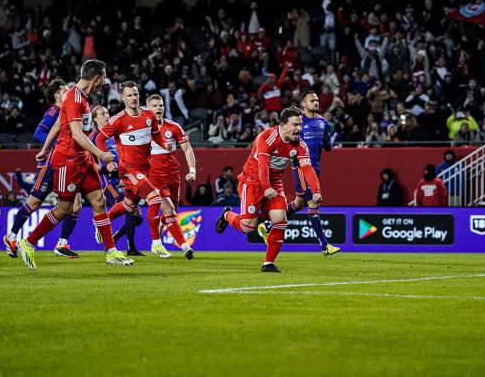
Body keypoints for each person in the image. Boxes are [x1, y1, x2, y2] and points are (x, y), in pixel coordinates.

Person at [16, 60, 133, 270]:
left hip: (83, 159)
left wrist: (44, 148)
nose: (103, 83)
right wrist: (100, 154)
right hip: (68, 161)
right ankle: (28, 243)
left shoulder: (81, 98)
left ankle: (112, 252)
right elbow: (77, 134)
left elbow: (61, 124)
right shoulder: (73, 98)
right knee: (63, 209)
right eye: (103, 78)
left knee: (99, 201)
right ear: (96, 78)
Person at [215, 107, 322, 273]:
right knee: (248, 227)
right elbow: (262, 165)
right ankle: (227, 215)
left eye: (300, 124)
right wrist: (266, 187)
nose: (299, 128)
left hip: (275, 182)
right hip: (253, 181)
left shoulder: (300, 145)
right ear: (283, 124)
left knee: (281, 219)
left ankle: (268, 263)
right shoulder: (266, 138)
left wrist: (316, 191)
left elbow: (307, 168)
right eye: (295, 124)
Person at [95, 81, 191, 260]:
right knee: (154, 198)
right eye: (129, 95)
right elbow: (100, 139)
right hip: (128, 169)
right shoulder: (118, 120)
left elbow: (155, 135)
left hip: (145, 169)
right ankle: (156, 242)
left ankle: (102, 221)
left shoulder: (149, 115)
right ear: (123, 98)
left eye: (136, 94)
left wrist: (165, 146)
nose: (134, 98)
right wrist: (106, 159)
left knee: (128, 205)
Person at [3, 79, 83, 259]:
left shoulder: (69, 109)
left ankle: (62, 244)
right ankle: (12, 236)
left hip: (68, 163)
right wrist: (57, 144)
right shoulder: (54, 111)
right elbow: (38, 133)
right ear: (57, 95)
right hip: (50, 164)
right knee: (34, 202)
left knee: (75, 205)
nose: (69, 91)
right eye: (65, 90)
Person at [259, 90, 340, 256]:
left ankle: (267, 226)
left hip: (314, 168)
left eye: (317, 100)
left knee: (300, 203)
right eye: (312, 100)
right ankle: (325, 245)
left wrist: (328, 139)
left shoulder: (323, 122)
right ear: (303, 104)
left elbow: (327, 146)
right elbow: (288, 141)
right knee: (313, 203)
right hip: (300, 167)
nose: (316, 103)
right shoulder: (297, 123)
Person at [145, 94, 197, 259]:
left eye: (161, 105)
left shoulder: (173, 127)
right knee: (170, 210)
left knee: (172, 210)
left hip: (173, 176)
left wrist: (192, 170)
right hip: (154, 176)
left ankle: (158, 238)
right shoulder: (143, 130)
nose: (159, 108)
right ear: (148, 109)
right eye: (155, 105)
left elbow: (187, 149)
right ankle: (184, 246)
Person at [90, 106, 144, 256]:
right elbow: (89, 163)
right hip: (108, 182)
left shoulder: (115, 134)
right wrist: (104, 168)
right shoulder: (93, 138)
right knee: (129, 209)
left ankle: (106, 227)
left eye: (107, 113)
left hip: (124, 178)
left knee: (138, 219)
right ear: (95, 119)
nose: (107, 116)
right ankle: (131, 248)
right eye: (102, 114)